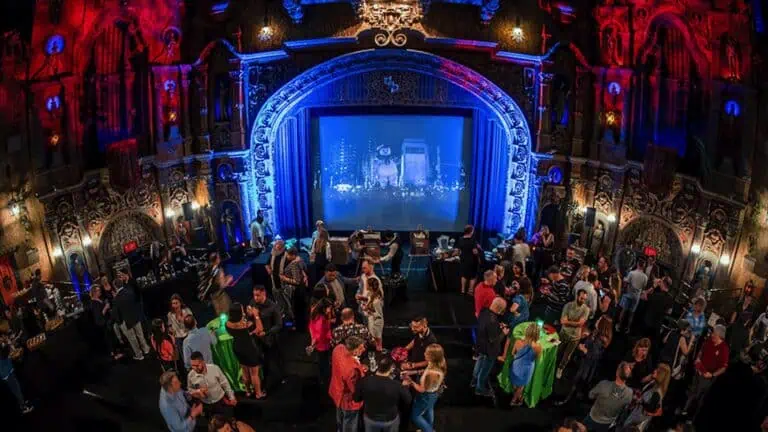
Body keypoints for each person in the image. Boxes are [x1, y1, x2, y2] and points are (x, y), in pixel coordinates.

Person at [556, 316, 613, 405]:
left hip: (585, 366)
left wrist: (584, 350)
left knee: (575, 385)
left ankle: (566, 403)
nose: (597, 321)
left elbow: (595, 355)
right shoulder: (596, 332)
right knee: (572, 383)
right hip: (582, 362)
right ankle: (565, 399)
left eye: (599, 320)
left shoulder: (601, 340)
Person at [354, 355, 412, 432]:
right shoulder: (397, 385)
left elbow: (356, 399)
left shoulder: (364, 381)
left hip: (370, 418)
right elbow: (408, 400)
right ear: (391, 369)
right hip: (390, 419)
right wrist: (405, 387)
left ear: (377, 366)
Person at [681, 324, 729, 417]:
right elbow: (701, 351)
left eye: (714, 333)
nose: (712, 335)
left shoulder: (724, 349)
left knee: (698, 396)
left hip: (707, 377)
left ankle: (691, 417)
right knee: (691, 391)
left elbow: (723, 368)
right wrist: (698, 358)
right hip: (698, 372)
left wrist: (712, 375)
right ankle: (684, 410)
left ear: (719, 335)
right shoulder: (709, 341)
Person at [404, 344, 447, 432]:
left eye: (427, 353)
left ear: (432, 357)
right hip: (433, 395)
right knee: (429, 409)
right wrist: (411, 372)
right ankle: (428, 427)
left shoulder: (432, 373)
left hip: (426, 397)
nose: (424, 354)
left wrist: (410, 382)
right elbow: (425, 372)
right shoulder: (437, 363)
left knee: (415, 416)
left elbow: (422, 389)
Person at [226, 303, 265, 399]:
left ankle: (248, 391)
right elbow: (260, 329)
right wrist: (256, 315)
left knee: (244, 371)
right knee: (254, 373)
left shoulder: (227, 324)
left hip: (237, 347)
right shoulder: (246, 325)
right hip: (248, 348)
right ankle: (258, 394)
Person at [329, 336, 367, 432]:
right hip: (349, 402)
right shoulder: (352, 370)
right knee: (349, 424)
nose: (364, 349)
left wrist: (359, 366)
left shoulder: (338, 348)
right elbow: (355, 391)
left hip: (337, 393)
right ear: (354, 351)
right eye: (361, 348)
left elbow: (342, 368)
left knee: (340, 419)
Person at [247, 285, 283, 387]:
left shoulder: (273, 307)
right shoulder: (252, 302)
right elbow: (251, 318)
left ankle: (280, 378)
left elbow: (279, 325)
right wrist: (249, 317)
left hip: (269, 339)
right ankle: (263, 380)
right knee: (260, 361)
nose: (255, 298)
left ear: (264, 294)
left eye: (258, 295)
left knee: (274, 360)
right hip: (256, 338)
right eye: (254, 295)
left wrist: (267, 333)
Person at [584, 362, 634, 431]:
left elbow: (590, 395)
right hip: (606, 424)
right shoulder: (629, 393)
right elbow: (625, 407)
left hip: (593, 418)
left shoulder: (604, 384)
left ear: (617, 373)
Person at [472, 297, 507, 396]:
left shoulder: (484, 311)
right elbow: (494, 340)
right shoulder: (493, 321)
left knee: (479, 362)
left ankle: (474, 381)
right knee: (484, 370)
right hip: (489, 350)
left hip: (480, 345)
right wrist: (503, 333)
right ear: (500, 310)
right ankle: (479, 389)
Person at [188, 351, 237, 417]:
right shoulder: (191, 375)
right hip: (206, 405)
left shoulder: (214, 368)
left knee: (228, 420)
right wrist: (198, 391)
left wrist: (231, 397)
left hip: (221, 401)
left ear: (203, 362)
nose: (194, 368)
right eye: (192, 365)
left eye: (197, 365)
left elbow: (224, 383)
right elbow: (190, 389)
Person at [622, 363, 670, 431]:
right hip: (634, 414)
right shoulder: (653, 383)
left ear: (661, 375)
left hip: (636, 421)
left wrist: (640, 401)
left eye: (657, 371)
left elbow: (650, 410)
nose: (654, 370)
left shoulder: (657, 393)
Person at [112, 277, 150, 361]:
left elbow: (116, 313)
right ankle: (146, 349)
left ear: (115, 286)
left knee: (132, 339)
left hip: (125, 322)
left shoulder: (116, 299)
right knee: (140, 335)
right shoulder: (130, 292)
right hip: (135, 317)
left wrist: (119, 322)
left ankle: (139, 355)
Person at [557, 289, 591, 379]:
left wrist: (568, 322)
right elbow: (562, 321)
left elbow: (581, 324)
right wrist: (575, 323)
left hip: (575, 337)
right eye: (581, 298)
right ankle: (552, 364)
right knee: (557, 350)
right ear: (577, 296)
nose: (583, 300)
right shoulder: (568, 306)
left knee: (567, 355)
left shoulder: (586, 309)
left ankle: (560, 369)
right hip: (563, 333)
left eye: (584, 299)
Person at [508, 322, 542, 406]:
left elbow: (513, 353)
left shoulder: (518, 341)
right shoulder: (538, 347)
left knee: (515, 382)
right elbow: (537, 358)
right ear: (537, 334)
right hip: (526, 369)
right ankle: (514, 400)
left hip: (516, 366)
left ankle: (516, 394)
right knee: (521, 386)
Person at [90, 284, 123, 360]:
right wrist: (105, 307)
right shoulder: (93, 303)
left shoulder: (99, 298)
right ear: (94, 292)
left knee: (112, 336)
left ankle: (116, 352)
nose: (100, 291)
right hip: (103, 323)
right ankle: (114, 355)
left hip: (108, 321)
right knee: (109, 339)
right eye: (98, 290)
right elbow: (98, 315)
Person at [1, 342, 33, 415]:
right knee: (16, 389)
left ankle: (22, 402)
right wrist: (8, 345)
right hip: (7, 373)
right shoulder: (2, 351)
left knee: (16, 388)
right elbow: (5, 354)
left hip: (7, 371)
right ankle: (23, 407)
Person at [617, 261, 648, 333]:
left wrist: (624, 278)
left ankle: (618, 326)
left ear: (637, 264)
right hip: (636, 298)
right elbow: (643, 287)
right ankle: (628, 328)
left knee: (623, 311)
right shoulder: (645, 277)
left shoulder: (631, 273)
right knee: (632, 313)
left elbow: (626, 282)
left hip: (628, 295)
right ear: (644, 266)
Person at [309, 298, 334, 384]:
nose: (330, 310)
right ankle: (325, 380)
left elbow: (311, 327)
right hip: (323, 344)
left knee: (321, 361)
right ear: (324, 308)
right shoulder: (321, 319)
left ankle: (323, 378)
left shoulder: (315, 313)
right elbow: (320, 334)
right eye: (329, 308)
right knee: (324, 362)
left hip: (320, 343)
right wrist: (329, 337)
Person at [278, 247, 305, 324]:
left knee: (293, 307)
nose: (287, 257)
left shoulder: (294, 264)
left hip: (294, 290)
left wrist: (284, 278)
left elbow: (297, 281)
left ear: (293, 255)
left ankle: (295, 324)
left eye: (288, 255)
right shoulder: (300, 260)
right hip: (300, 290)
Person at [167, 294, 194, 364]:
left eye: (176, 303)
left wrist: (183, 320)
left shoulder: (187, 311)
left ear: (180, 303)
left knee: (192, 351)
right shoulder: (170, 314)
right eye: (173, 303)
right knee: (184, 355)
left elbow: (193, 323)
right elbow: (169, 325)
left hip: (188, 334)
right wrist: (170, 329)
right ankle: (188, 367)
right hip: (178, 337)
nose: (174, 305)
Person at [457, 225, 481, 295]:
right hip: (472, 261)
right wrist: (479, 253)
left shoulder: (460, 239)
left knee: (464, 275)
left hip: (463, 259)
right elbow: (475, 252)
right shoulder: (473, 240)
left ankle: (462, 290)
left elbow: (459, 250)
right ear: (471, 231)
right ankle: (470, 291)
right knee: (472, 277)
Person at [363, 278, 385, 351]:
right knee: (373, 340)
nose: (365, 285)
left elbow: (379, 315)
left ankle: (378, 354)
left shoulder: (376, 301)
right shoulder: (371, 294)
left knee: (377, 341)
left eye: (367, 284)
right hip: (372, 319)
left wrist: (368, 310)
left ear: (370, 286)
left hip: (377, 322)